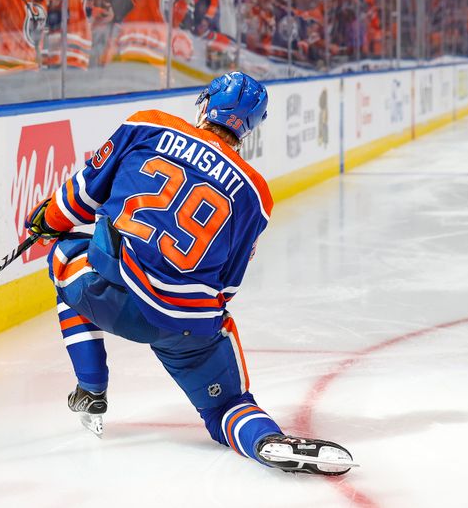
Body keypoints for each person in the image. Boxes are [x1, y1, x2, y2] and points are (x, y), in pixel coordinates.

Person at [24, 71, 355, 475]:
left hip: (104, 292)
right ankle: (267, 441)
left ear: (206, 103)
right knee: (226, 406)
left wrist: (45, 219)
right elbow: (228, 285)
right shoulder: (256, 194)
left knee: (66, 257)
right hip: (182, 324)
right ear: (250, 127)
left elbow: (80, 197)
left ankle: (91, 388)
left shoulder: (147, 124)